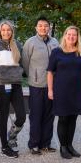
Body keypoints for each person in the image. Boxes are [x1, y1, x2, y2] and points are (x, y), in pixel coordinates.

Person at [47, 26, 81, 159]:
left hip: (76, 91)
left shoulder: (80, 52)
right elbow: (50, 72)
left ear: (77, 37)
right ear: (64, 36)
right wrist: (50, 90)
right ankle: (63, 147)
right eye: (69, 34)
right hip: (61, 91)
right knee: (63, 118)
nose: (71, 37)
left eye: (74, 35)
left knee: (73, 118)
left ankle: (70, 146)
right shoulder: (57, 52)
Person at [22, 16, 59, 155]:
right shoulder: (30, 43)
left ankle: (45, 144)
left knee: (49, 115)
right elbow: (25, 63)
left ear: (49, 27)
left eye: (46, 25)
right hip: (36, 85)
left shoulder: (55, 42)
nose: (43, 28)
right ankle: (34, 144)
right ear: (36, 28)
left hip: (52, 85)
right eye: (40, 25)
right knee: (36, 115)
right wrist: (33, 76)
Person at [0, 20, 26, 158]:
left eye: (9, 30)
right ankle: (5, 147)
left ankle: (11, 136)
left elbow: (22, 63)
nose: (6, 32)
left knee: (21, 116)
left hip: (16, 84)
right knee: (3, 115)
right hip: (1, 85)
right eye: (3, 30)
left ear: (12, 31)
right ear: (0, 31)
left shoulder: (17, 45)